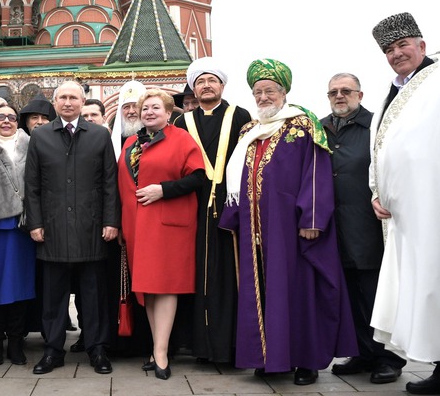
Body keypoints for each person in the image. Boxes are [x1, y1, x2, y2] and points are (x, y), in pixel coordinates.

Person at [219, 59, 356, 386]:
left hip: (292, 228)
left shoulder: (303, 125)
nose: (263, 97)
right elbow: (238, 177)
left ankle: (306, 361)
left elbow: (316, 172)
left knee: (298, 292)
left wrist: (311, 216)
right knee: (262, 292)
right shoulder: (249, 130)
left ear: (284, 92)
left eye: (269, 91)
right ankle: (269, 358)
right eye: (258, 92)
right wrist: (235, 216)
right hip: (255, 228)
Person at [369, 13, 440, 394]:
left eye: (403, 45)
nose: (397, 54)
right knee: (425, 286)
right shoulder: (393, 90)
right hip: (407, 214)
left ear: (422, 46)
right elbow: (381, 146)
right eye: (389, 49)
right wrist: (376, 190)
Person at [25, 80, 120, 375]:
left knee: (92, 294)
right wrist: (36, 223)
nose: (68, 102)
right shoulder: (40, 136)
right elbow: (32, 186)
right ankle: (53, 350)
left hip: (91, 227)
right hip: (52, 229)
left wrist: (110, 221)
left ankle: (96, 349)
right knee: (53, 296)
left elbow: (109, 183)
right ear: (55, 103)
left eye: (73, 98)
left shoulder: (99, 136)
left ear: (83, 101)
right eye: (62, 98)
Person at [319, 73, 405, 384]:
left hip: (369, 224)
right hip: (333, 226)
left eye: (346, 91)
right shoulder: (321, 127)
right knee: (349, 292)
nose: (339, 96)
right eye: (333, 92)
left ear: (360, 94)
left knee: (375, 291)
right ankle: (361, 352)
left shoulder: (375, 126)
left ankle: (388, 358)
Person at [118, 89, 204, 379]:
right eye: (145, 108)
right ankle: (157, 348)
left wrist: (163, 190)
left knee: (165, 286)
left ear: (169, 113)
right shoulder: (131, 142)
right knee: (147, 288)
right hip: (136, 225)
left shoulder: (181, 139)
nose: (149, 112)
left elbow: (198, 176)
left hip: (168, 225)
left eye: (156, 108)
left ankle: (162, 352)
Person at [173, 58, 251, 364]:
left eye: (212, 81)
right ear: (194, 87)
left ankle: (230, 346)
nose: (206, 86)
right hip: (191, 207)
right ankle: (196, 346)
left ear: (222, 85)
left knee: (228, 275)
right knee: (194, 273)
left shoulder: (240, 116)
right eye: (201, 81)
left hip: (230, 207)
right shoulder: (182, 123)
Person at [0, 105, 36, 366]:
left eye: (11, 117)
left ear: (19, 121)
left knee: (22, 287)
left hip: (25, 228)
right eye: (0, 117)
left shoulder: (31, 144)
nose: (6, 121)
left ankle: (16, 343)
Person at [111, 80, 146, 160]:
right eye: (126, 107)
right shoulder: (116, 140)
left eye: (136, 106)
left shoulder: (154, 135)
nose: (131, 111)